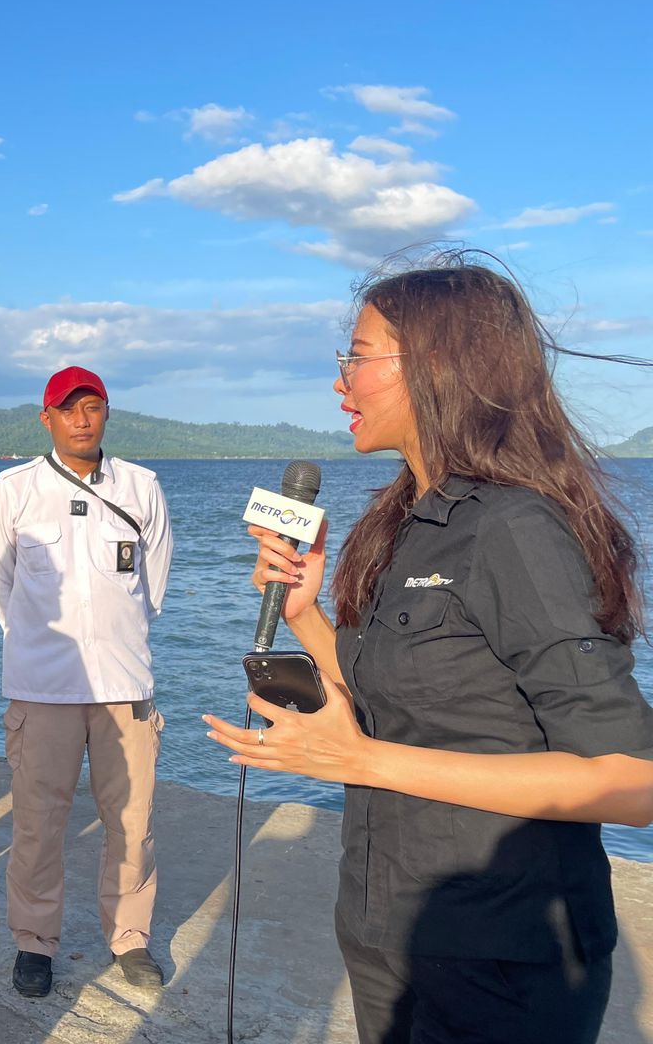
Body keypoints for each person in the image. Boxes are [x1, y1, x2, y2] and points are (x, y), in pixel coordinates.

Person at [207, 254, 653, 1044]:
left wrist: (361, 760)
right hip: (394, 931)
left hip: (504, 962)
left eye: (358, 356)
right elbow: (404, 689)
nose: (340, 381)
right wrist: (307, 616)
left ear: (438, 367)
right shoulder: (411, 521)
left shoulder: (516, 528)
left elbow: (630, 783)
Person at [0, 366, 174, 997]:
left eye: (92, 407)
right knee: (38, 824)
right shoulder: (14, 491)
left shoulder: (142, 487)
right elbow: (2, 589)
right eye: (68, 409)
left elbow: (152, 590)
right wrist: (43, 647)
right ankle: (34, 942)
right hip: (43, 688)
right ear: (47, 418)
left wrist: (111, 639)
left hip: (124, 686)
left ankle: (130, 937)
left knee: (133, 821)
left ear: (107, 413)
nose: (81, 420)